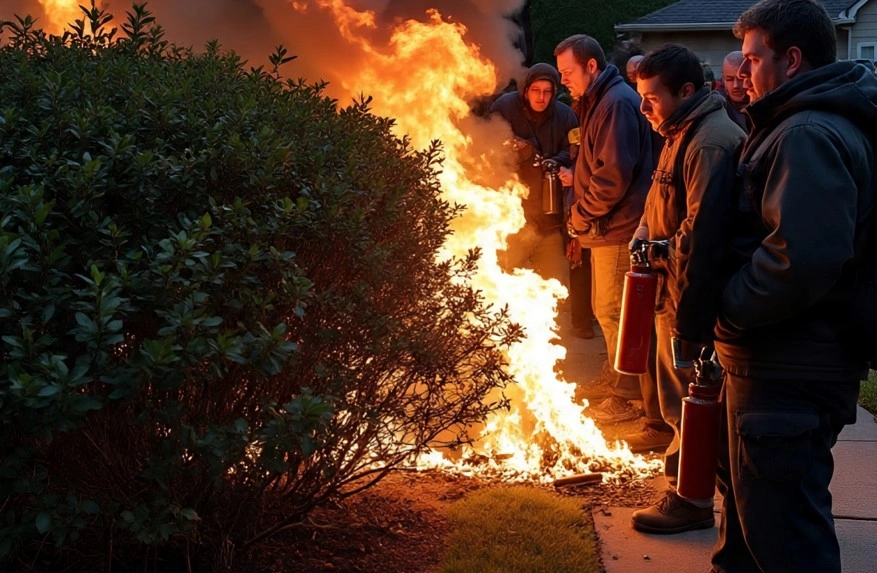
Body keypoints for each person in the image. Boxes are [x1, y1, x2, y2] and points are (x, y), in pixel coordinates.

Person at [712, 1, 877, 571]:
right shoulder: (799, 122)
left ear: (793, 60)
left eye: (753, 59)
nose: (742, 73)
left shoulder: (806, 133)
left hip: (788, 366)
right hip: (781, 360)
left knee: (786, 540)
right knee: (751, 526)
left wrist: (726, 308)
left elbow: (800, 259)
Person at [625, 44, 745, 534]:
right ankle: (690, 490)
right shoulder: (679, 132)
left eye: (652, 97)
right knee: (680, 404)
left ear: (687, 91)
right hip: (670, 290)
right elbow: (660, 202)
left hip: (688, 297)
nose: (642, 107)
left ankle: (693, 500)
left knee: (695, 405)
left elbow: (702, 238)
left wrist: (688, 324)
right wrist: (644, 236)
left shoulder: (710, 143)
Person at [554, 35, 655, 425]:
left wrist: (580, 216)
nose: (563, 80)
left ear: (591, 66)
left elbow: (612, 176)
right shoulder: (600, 101)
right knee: (608, 311)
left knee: (615, 314)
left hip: (618, 227)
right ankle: (617, 380)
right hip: (607, 227)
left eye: (568, 72)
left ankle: (627, 395)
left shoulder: (614, 104)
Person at [489, 63, 579, 287]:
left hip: (551, 222)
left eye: (547, 91)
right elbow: (487, 144)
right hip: (513, 222)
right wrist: (518, 149)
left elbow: (575, 151)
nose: (541, 97)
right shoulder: (505, 108)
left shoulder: (565, 116)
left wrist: (555, 162)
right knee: (504, 286)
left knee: (556, 287)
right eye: (536, 90)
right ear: (526, 90)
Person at [716, 50, 750, 131]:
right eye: (729, 79)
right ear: (723, 80)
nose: (736, 86)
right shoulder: (716, 110)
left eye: (741, 79)